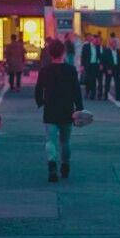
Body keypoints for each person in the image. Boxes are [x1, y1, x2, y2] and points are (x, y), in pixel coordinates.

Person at [35, 37, 84, 182]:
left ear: (50, 53)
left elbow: (38, 90)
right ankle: (65, 165)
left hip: (50, 109)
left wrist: (41, 102)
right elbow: (76, 90)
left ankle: (52, 164)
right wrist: (79, 108)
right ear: (63, 53)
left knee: (50, 140)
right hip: (67, 110)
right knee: (65, 140)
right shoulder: (71, 70)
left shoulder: (45, 70)